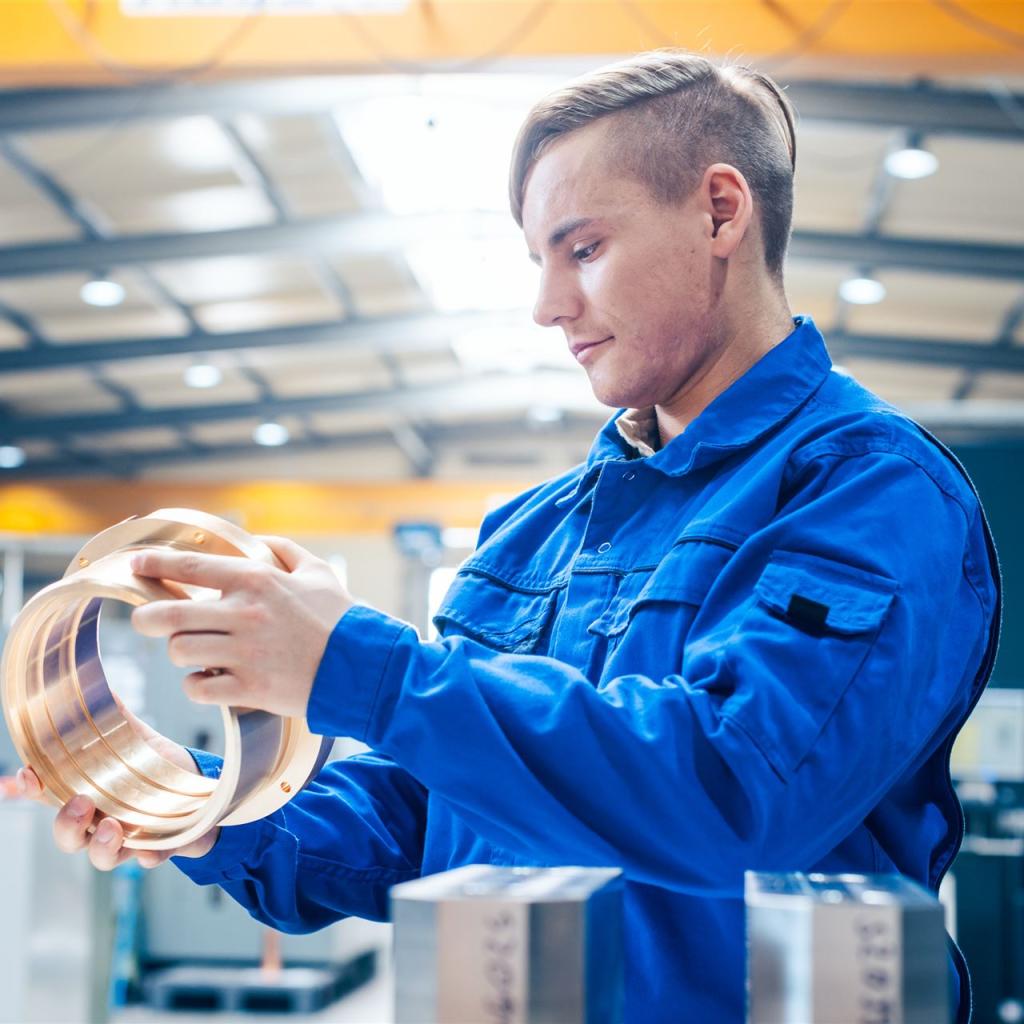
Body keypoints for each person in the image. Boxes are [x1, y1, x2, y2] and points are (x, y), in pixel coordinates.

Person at [19, 50, 1000, 1022]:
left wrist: (358, 667)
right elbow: (423, 820)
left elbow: (735, 795)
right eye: (539, 262)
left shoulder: (870, 490)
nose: (547, 307)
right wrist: (195, 806)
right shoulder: (531, 533)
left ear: (718, 211)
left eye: (584, 250)